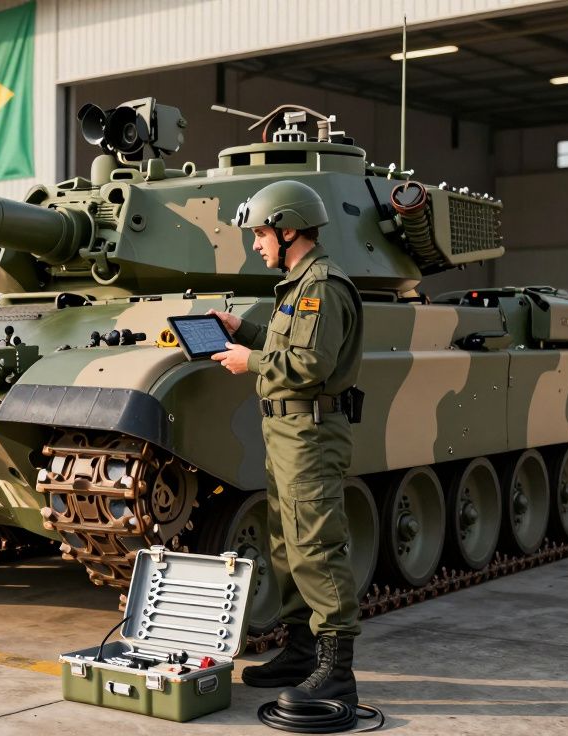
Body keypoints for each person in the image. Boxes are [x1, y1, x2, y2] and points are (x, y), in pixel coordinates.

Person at [208, 180, 364, 705]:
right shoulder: (297, 288)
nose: (256, 244)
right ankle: (301, 651)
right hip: (288, 434)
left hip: (311, 435)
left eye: (260, 234)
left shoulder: (321, 286)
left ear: (288, 229)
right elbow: (290, 346)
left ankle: (336, 668)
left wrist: (246, 361)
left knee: (316, 547)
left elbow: (310, 364)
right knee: (287, 547)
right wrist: (243, 331)